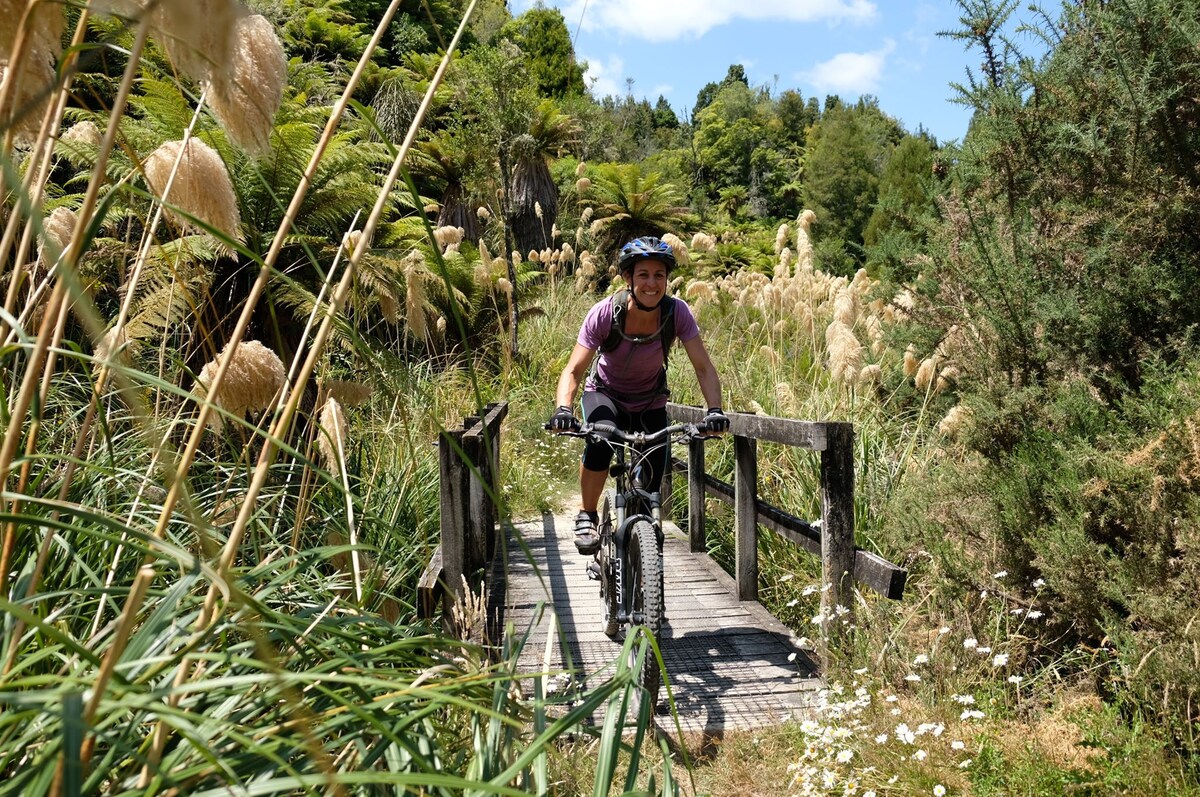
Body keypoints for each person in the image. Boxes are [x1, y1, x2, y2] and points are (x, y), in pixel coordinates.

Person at [548, 235, 729, 555]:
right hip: (605, 394)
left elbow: (703, 368)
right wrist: (564, 410)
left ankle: (642, 549)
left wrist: (714, 410)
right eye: (643, 274)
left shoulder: (677, 313)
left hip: (649, 401)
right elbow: (573, 371)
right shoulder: (605, 313)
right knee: (601, 439)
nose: (652, 283)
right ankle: (587, 514)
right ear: (627, 278)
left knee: (653, 471)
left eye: (659, 275)